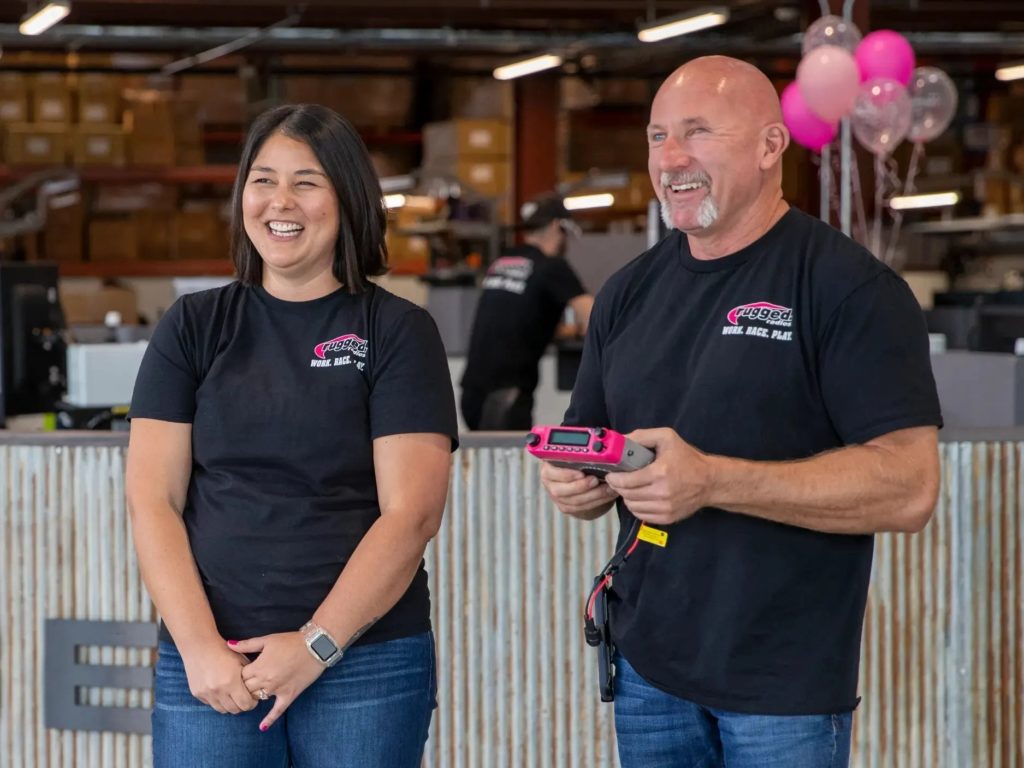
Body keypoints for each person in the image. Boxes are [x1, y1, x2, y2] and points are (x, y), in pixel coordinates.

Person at [541, 56, 942, 768]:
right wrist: (579, 485)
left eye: (698, 133)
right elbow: (600, 446)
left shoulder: (849, 290)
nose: (671, 158)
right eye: (658, 135)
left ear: (769, 146)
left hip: (781, 686)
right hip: (648, 672)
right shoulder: (627, 293)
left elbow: (909, 487)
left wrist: (715, 481)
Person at [126, 104, 458, 768]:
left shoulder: (395, 331)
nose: (281, 201)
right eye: (263, 179)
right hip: (213, 663)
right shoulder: (193, 326)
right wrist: (198, 649)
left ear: (347, 199)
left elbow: (412, 513)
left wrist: (315, 645)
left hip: (363, 662)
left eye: (306, 182)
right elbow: (152, 500)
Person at [460, 193, 594, 430]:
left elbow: (517, 319)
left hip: (471, 392)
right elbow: (596, 316)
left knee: (486, 464)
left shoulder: (503, 260)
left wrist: (565, 331)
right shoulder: (552, 266)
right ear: (557, 226)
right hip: (508, 395)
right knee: (511, 465)